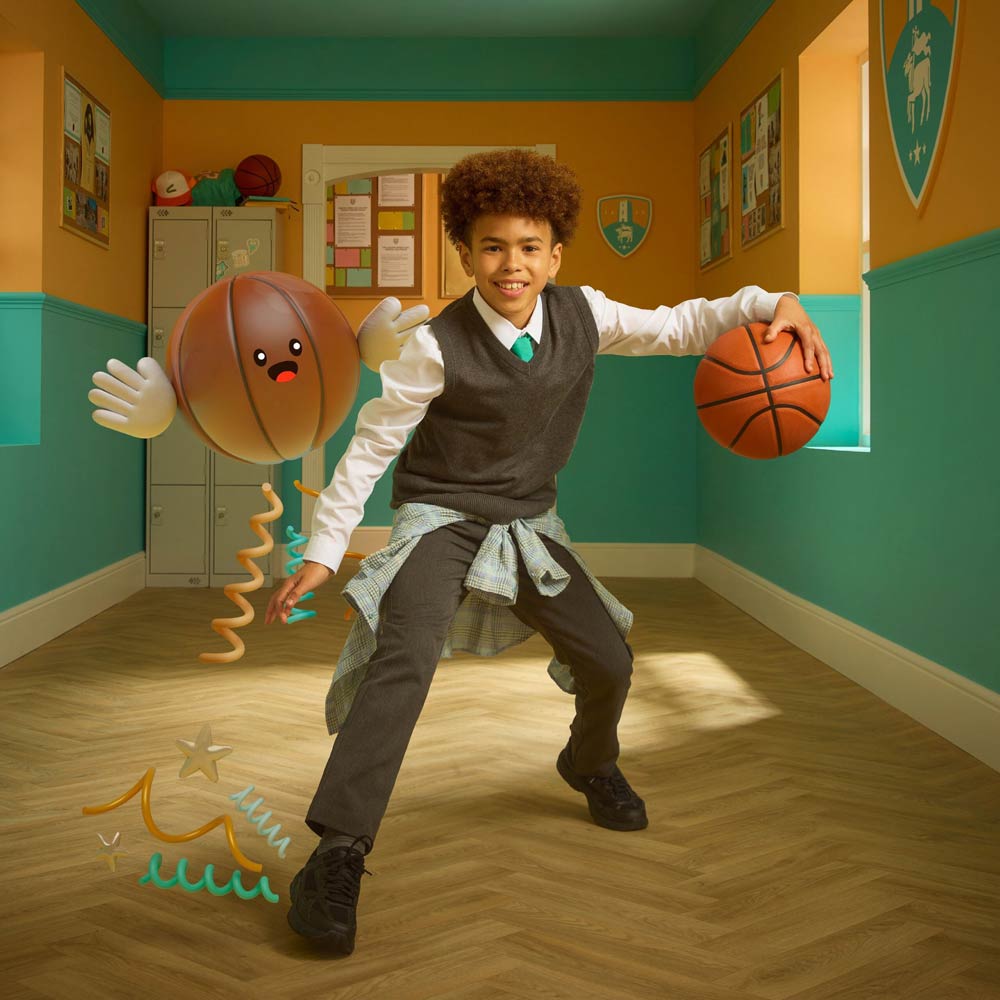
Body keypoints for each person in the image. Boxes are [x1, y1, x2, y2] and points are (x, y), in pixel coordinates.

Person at [265, 149, 832, 956]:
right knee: (405, 657)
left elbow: (681, 323)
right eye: (493, 246)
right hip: (441, 518)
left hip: (529, 523)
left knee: (610, 660)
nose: (512, 264)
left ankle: (588, 761)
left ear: (556, 255)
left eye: (530, 247)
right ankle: (337, 851)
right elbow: (369, 448)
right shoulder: (433, 346)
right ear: (464, 252)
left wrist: (773, 300)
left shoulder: (585, 314)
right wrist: (325, 551)